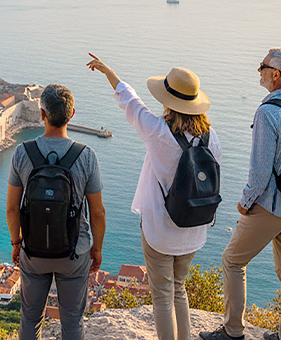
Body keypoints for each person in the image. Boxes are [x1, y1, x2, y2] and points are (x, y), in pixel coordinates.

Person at [86, 54, 219, 340]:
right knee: (179, 288)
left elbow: (130, 101)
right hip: (195, 227)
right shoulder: (211, 137)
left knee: (161, 296)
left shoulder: (158, 132)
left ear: (169, 102)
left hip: (160, 229)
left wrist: (109, 71)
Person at [206, 48, 281, 340]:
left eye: (262, 66)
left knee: (232, 260)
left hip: (272, 205)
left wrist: (244, 202)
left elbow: (261, 171)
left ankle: (232, 331)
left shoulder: (268, 112)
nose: (258, 70)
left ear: (275, 75)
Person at [7, 84, 105, 340]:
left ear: (42, 114)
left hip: (33, 251)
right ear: (72, 114)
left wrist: (16, 243)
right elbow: (98, 212)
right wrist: (97, 248)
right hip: (75, 251)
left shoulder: (22, 152)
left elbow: (11, 208)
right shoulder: (86, 156)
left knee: (30, 318)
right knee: (72, 321)